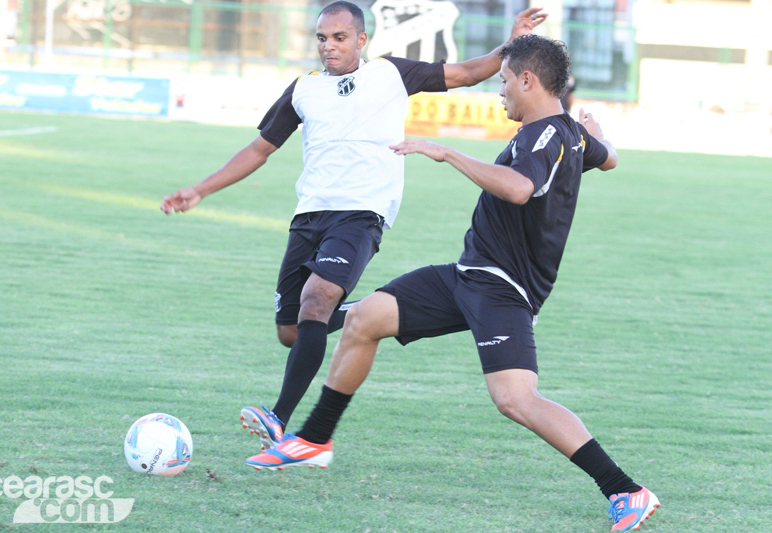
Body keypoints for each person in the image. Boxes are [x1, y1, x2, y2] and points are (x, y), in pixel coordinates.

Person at [246, 34, 660, 533]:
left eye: (504, 82)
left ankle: (626, 491)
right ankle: (314, 440)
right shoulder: (566, 131)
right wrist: (599, 136)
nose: (499, 92)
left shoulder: (542, 136)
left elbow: (519, 188)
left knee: (516, 400)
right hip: (469, 273)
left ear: (528, 80)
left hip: (504, 288)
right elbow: (608, 157)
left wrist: (446, 153)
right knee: (365, 317)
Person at [160, 1, 548, 451]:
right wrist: (201, 190)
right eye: (322, 38)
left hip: (362, 212)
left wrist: (512, 42)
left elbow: (465, 73)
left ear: (361, 40)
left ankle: (277, 417)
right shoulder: (303, 89)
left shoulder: (390, 73)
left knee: (317, 296)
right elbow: (259, 149)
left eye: (339, 38)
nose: (329, 46)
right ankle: (372, 312)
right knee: (292, 329)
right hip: (309, 216)